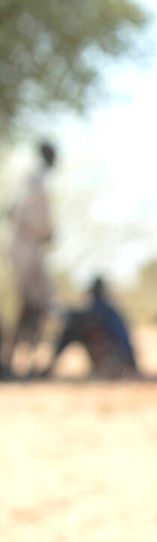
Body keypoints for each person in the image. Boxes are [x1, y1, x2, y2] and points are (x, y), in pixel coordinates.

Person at [2, 141, 58, 378]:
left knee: (38, 305)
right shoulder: (34, 179)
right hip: (23, 250)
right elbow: (16, 211)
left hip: (31, 250)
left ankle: (24, 361)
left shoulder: (37, 180)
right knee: (24, 306)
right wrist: (43, 231)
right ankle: (9, 361)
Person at [42, 277, 137, 378]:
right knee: (78, 330)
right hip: (123, 352)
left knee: (73, 331)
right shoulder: (106, 307)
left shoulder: (102, 307)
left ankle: (50, 365)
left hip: (120, 351)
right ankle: (50, 366)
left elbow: (88, 318)